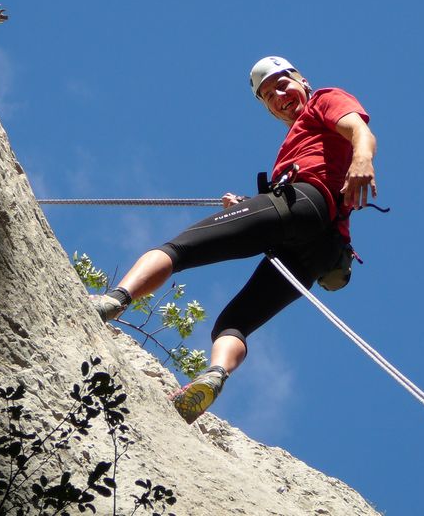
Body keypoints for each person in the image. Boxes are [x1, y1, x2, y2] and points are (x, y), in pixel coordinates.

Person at [90, 56, 378, 424]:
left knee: (177, 249)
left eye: (282, 82)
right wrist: (249, 205)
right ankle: (214, 376)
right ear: (270, 110)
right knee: (232, 324)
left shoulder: (324, 99)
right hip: (319, 248)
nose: (278, 94)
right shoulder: (298, 139)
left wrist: (363, 159)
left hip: (305, 205)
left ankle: (112, 302)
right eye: (267, 94)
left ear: (302, 80)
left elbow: (359, 129)